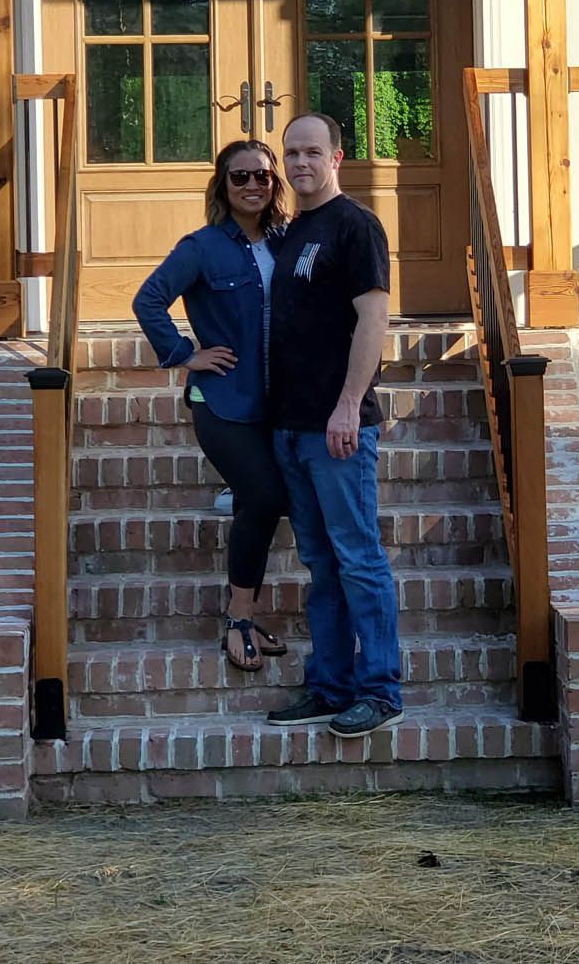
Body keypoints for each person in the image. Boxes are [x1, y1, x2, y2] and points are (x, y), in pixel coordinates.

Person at [263, 112, 403, 739]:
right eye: (291, 154)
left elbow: (373, 323)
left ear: (337, 158)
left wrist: (349, 405)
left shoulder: (355, 226)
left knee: (359, 559)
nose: (300, 164)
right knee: (321, 562)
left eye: (312, 152)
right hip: (291, 427)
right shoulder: (294, 231)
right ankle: (329, 685)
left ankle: (379, 689)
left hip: (337, 427)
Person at [132, 140, 291, 673]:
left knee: (258, 503)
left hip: (278, 400)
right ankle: (238, 616)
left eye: (262, 177)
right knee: (266, 497)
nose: (252, 186)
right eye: (239, 177)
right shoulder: (200, 247)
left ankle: (245, 614)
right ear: (223, 186)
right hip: (221, 401)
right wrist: (186, 354)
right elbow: (148, 299)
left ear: (274, 185)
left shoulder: (286, 242)